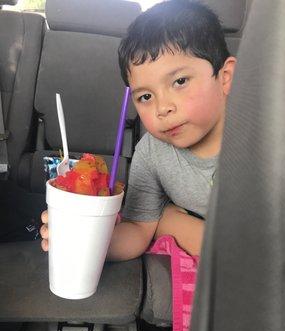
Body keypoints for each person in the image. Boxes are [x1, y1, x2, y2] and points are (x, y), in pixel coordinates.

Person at [40, 0, 236, 259]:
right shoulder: (152, 153)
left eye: (179, 81)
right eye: (145, 97)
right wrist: (85, 238)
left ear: (225, 77)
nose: (162, 108)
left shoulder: (266, 137)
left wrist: (171, 223)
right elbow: (138, 231)